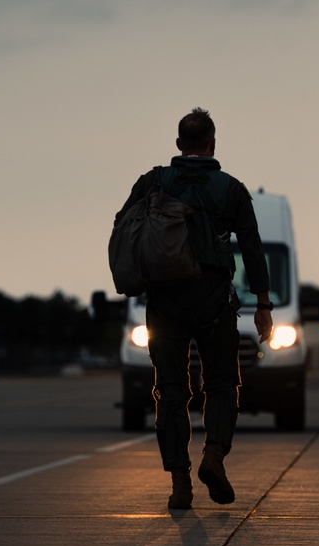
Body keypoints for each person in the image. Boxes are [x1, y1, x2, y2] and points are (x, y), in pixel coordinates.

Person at [114, 108, 274, 511]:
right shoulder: (231, 189)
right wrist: (264, 305)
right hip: (215, 301)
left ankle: (180, 483)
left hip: (165, 302)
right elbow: (253, 249)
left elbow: (123, 225)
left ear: (179, 144)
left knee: (170, 390)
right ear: (213, 143)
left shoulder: (153, 182)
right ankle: (214, 456)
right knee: (221, 383)